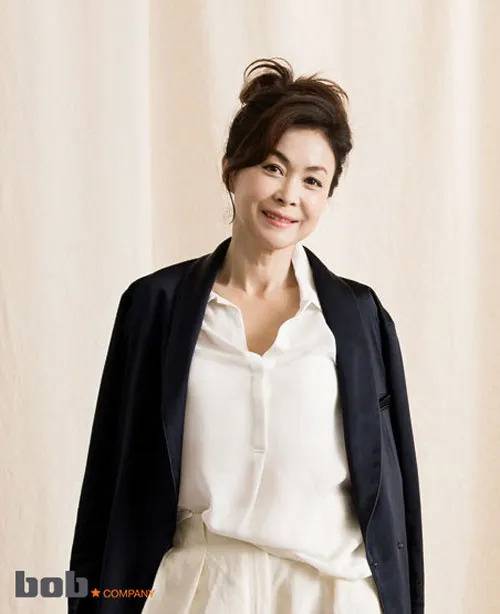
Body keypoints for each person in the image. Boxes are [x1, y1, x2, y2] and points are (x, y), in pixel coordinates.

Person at [69, 57, 424, 614]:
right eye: (272, 167)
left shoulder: (360, 319)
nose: (289, 194)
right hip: (199, 591)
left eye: (313, 180)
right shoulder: (155, 308)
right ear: (232, 170)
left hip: (332, 595)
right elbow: (107, 485)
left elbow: (396, 501)